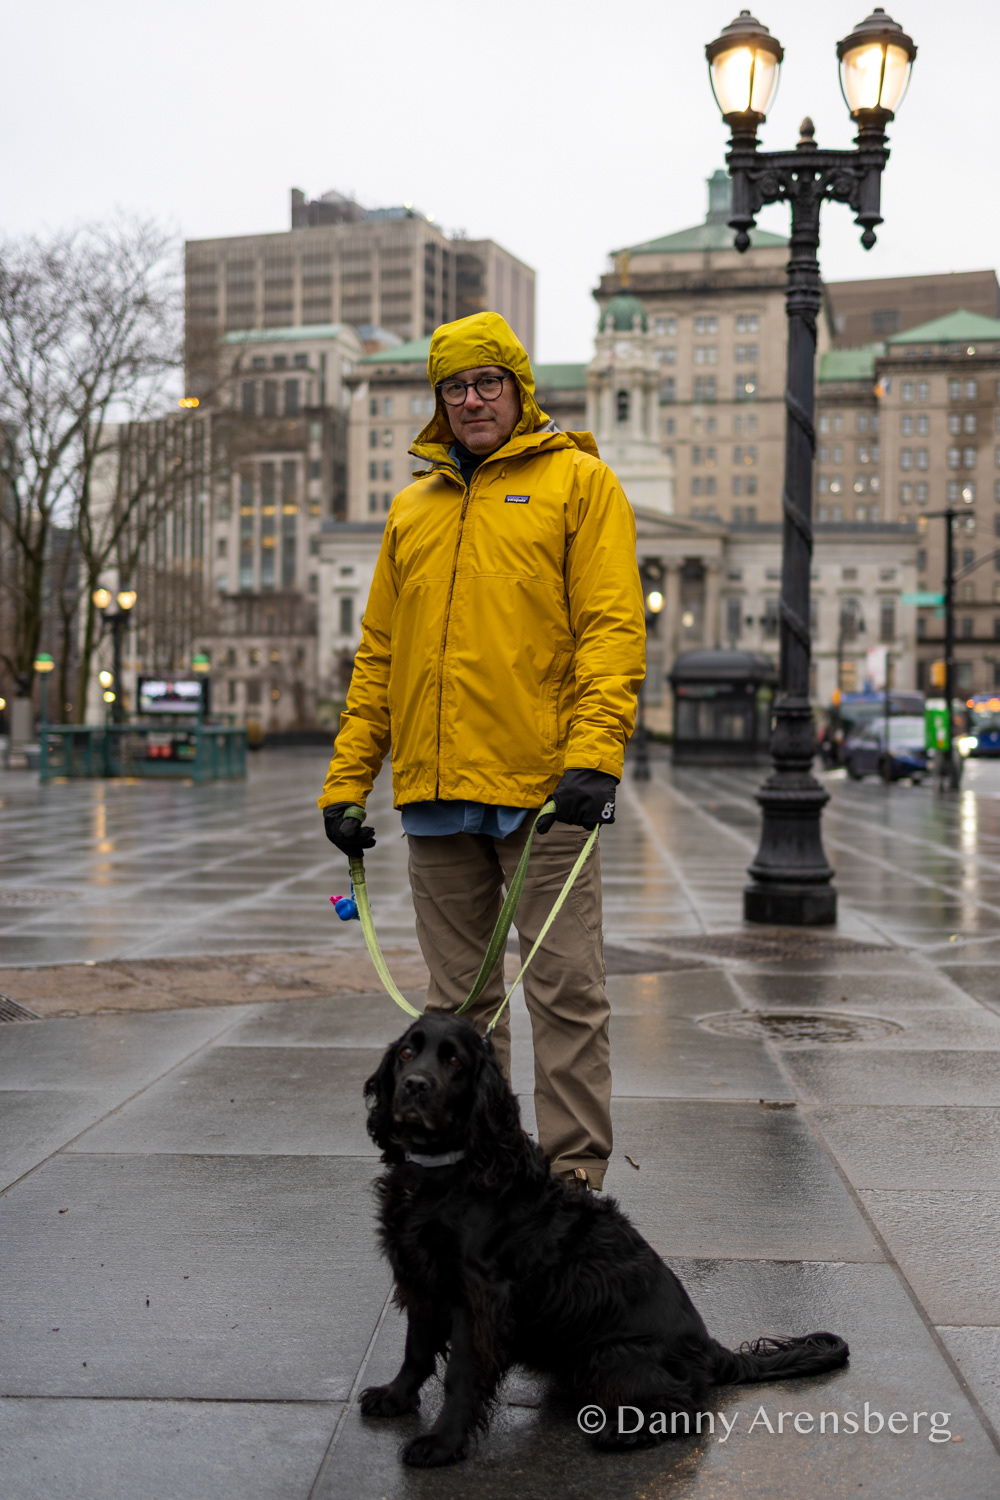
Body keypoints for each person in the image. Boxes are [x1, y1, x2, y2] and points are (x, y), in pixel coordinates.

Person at [319, 311, 645, 1190]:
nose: (471, 400)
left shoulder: (581, 482)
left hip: (547, 794)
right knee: (457, 1013)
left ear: (518, 389)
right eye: (455, 387)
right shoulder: (412, 509)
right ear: (439, 401)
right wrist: (348, 783)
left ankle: (573, 1185)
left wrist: (596, 757)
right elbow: (379, 656)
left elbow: (611, 630)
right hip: (434, 798)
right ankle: (473, 1181)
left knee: (567, 996)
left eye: (486, 383)